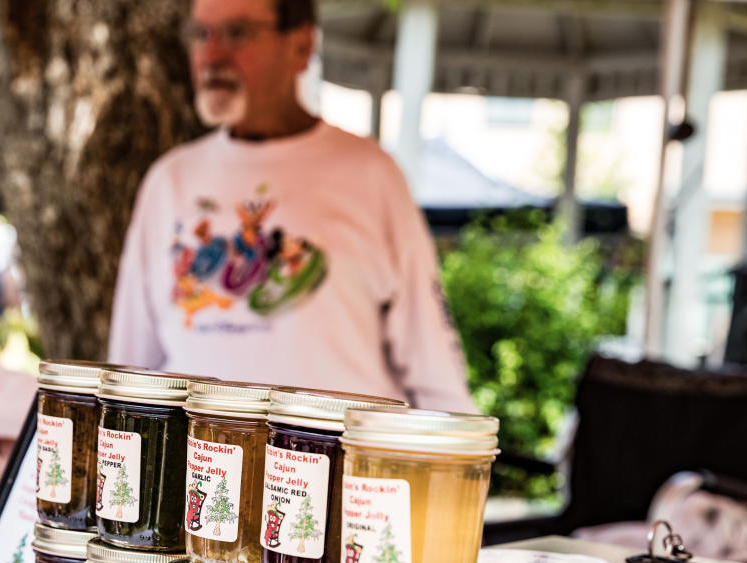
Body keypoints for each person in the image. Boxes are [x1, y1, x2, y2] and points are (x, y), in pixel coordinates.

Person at [108, 0, 474, 412]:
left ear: (301, 46)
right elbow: (130, 374)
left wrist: (457, 462)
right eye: (201, 34)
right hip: (204, 471)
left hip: (342, 469)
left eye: (237, 33)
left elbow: (432, 361)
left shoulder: (370, 174)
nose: (211, 55)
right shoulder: (168, 181)